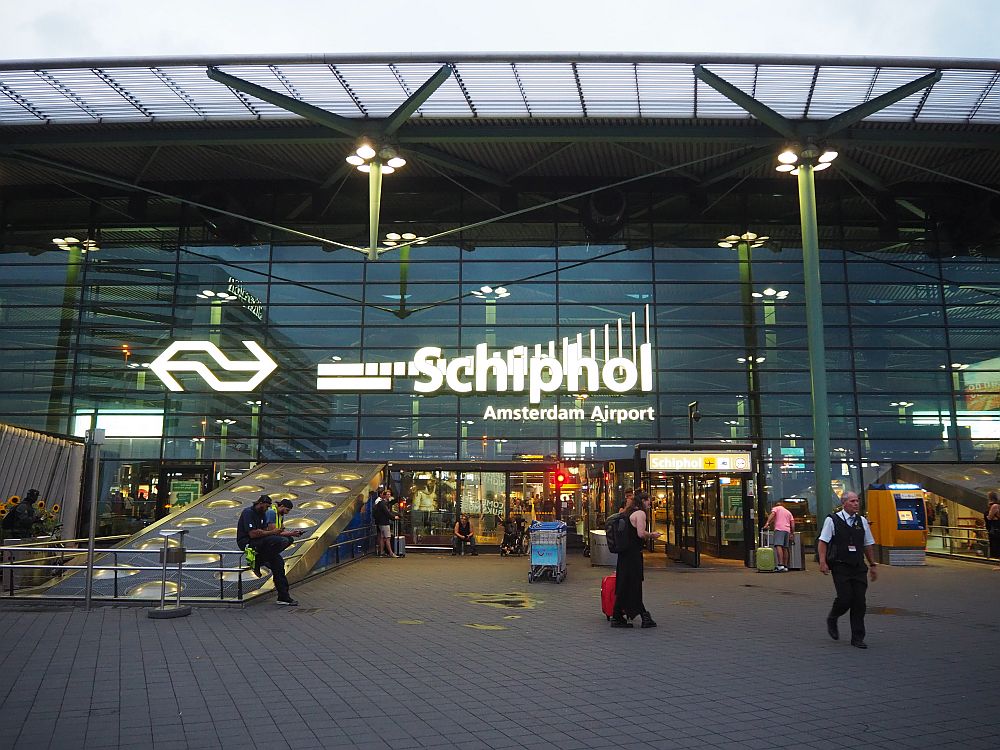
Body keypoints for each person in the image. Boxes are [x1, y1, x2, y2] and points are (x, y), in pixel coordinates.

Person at [817, 491, 878, 649]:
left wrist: (873, 564)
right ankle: (833, 617)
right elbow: (823, 541)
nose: (856, 504)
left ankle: (857, 637)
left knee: (859, 601)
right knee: (845, 598)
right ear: (844, 503)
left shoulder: (862, 521)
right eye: (852, 501)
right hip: (840, 565)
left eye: (857, 501)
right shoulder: (833, 520)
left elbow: (867, 544)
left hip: (858, 566)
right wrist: (822, 562)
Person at [236, 495, 300, 606]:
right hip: (248, 542)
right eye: (266, 507)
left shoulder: (263, 514)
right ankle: (259, 560)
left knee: (279, 564)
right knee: (279, 540)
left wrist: (268, 532)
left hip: (261, 542)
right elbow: (253, 534)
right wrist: (272, 532)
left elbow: (263, 531)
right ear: (260, 503)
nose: (267, 509)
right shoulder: (248, 512)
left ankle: (283, 597)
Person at [611, 491, 662, 629]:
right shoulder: (640, 514)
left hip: (624, 554)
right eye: (648, 501)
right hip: (633, 554)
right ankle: (640, 616)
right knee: (634, 584)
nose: (650, 503)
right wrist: (652, 535)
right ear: (643, 501)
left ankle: (620, 615)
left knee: (625, 584)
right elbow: (640, 533)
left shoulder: (628, 512)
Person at [764, 500, 796, 572]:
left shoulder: (776, 508)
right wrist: (792, 533)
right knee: (785, 548)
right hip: (787, 530)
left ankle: (780, 565)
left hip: (779, 529)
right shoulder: (788, 512)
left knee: (778, 546)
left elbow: (772, 514)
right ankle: (785, 566)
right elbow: (793, 523)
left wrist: (767, 523)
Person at [372, 488, 399, 558]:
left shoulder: (382, 503)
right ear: (384, 496)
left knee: (382, 537)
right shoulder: (383, 503)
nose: (389, 495)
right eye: (387, 494)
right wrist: (394, 517)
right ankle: (391, 553)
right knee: (387, 538)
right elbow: (387, 513)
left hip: (380, 522)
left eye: (390, 494)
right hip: (384, 522)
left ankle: (381, 552)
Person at [986, 491, 1000, 560]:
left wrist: (987, 516)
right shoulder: (998, 505)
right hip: (997, 527)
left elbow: (989, 517)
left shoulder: (994, 506)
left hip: (996, 527)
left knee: (996, 546)